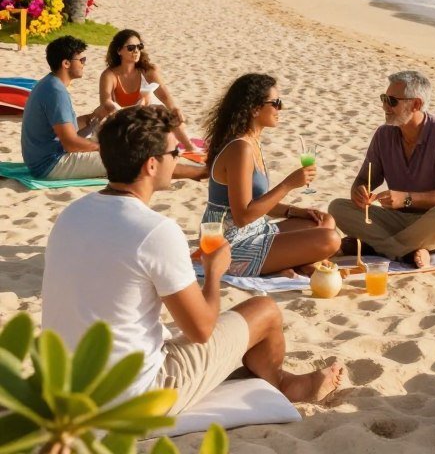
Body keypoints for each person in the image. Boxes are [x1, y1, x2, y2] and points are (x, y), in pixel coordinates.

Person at [41, 104, 341, 414]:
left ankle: (276, 377)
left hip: (66, 385)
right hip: (133, 396)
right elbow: (201, 331)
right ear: (151, 165)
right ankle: (284, 384)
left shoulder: (70, 215)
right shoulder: (155, 231)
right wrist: (214, 273)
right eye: (174, 153)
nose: (180, 159)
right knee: (264, 310)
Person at [200, 74, 340, 276]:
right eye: (276, 103)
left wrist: (294, 211)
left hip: (254, 230)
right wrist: (288, 184)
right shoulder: (240, 148)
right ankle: (298, 264)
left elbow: (254, 203)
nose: (280, 109)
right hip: (226, 243)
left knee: (323, 221)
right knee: (330, 239)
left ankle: (295, 264)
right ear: (255, 108)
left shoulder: (251, 142)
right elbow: (242, 216)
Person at [328, 70, 435, 268]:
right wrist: (358, 191)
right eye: (384, 99)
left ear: (416, 104)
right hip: (401, 218)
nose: (385, 106)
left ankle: (375, 246)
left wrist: (406, 198)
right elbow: (364, 179)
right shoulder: (384, 134)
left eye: (392, 101)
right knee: (338, 207)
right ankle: (404, 252)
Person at [98, 29, 202, 158]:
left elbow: (163, 94)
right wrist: (115, 108)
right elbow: (105, 101)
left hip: (143, 115)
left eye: (139, 46)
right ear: (119, 51)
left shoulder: (148, 70)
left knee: (168, 113)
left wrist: (174, 108)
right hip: (122, 117)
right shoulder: (110, 75)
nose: (136, 51)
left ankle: (190, 147)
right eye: (130, 48)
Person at [21, 36, 107, 180]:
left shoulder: (49, 83)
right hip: (50, 165)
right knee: (124, 161)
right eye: (81, 60)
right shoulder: (56, 91)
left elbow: (62, 126)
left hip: (39, 161)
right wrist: (104, 148)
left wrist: (91, 117)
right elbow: (71, 144)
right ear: (66, 63)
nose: (83, 64)